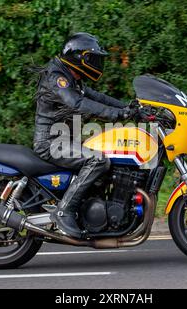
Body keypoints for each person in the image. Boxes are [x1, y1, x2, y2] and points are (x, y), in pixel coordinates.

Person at [33, 32, 134, 238]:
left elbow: (97, 97)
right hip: (50, 142)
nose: (97, 63)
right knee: (98, 161)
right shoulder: (57, 78)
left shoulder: (72, 77)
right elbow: (77, 103)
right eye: (94, 59)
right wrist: (119, 114)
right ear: (80, 58)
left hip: (64, 139)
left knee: (107, 159)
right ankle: (64, 211)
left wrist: (130, 107)